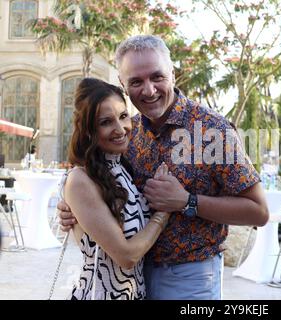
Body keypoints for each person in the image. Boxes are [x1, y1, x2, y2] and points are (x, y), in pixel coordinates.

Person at [58, 35, 269, 300]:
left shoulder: (212, 130)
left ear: (173, 74)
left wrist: (187, 202)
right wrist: (73, 209)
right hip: (134, 283)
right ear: (123, 85)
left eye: (157, 77)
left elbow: (258, 211)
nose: (148, 90)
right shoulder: (127, 133)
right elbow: (101, 189)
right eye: (136, 81)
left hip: (191, 279)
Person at [62, 78, 170, 299]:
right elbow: (127, 256)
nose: (120, 129)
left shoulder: (123, 167)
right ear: (88, 129)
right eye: (105, 122)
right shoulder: (81, 179)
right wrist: (163, 213)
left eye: (123, 116)